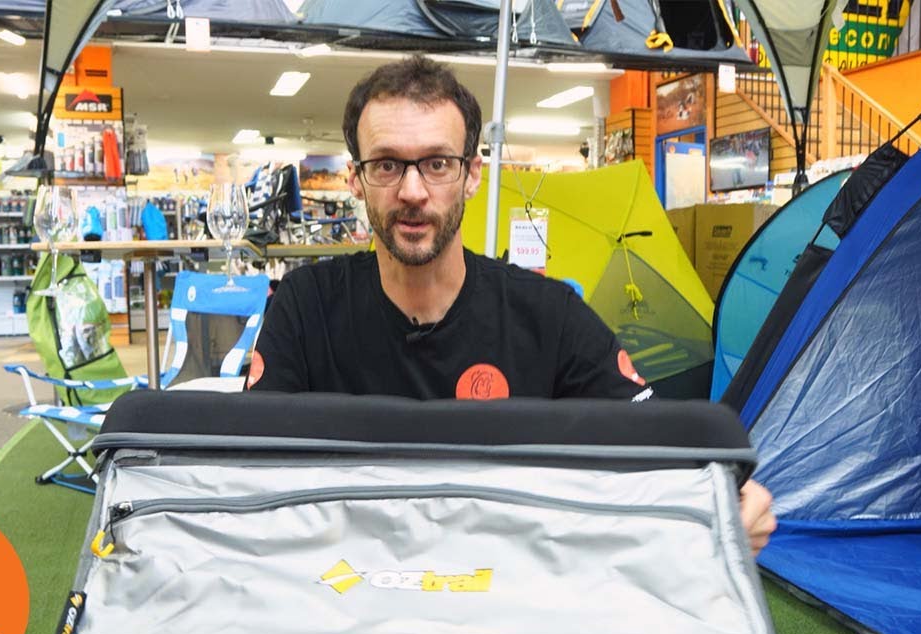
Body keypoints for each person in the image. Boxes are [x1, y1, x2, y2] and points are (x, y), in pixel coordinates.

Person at [249, 56, 775, 555]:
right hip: (346, 581)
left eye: (437, 163)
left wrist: (725, 490)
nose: (412, 190)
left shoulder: (549, 315)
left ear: (472, 174)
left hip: (511, 585)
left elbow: (656, 439)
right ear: (356, 179)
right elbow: (248, 465)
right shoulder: (305, 306)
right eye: (387, 164)